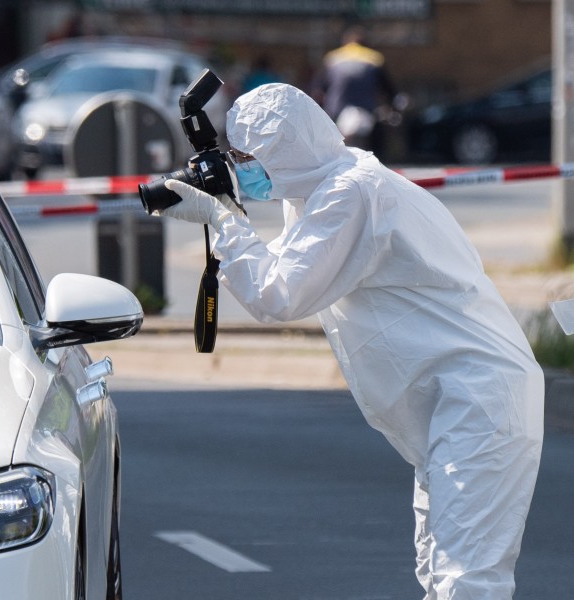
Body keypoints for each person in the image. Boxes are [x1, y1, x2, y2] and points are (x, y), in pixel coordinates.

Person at [156, 83, 544, 600]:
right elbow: (285, 272)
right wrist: (226, 216)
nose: (242, 167)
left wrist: (222, 221)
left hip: (479, 401)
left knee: (467, 579)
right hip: (455, 408)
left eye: (248, 157)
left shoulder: (352, 193)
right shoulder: (329, 188)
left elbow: (279, 295)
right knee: (440, 572)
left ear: (287, 151)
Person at [311, 25, 402, 152]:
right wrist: (392, 106)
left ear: (345, 42)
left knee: (336, 142)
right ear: (366, 44)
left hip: (337, 108)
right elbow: (387, 88)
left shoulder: (332, 58)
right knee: (374, 141)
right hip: (366, 107)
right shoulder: (374, 58)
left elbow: (318, 89)